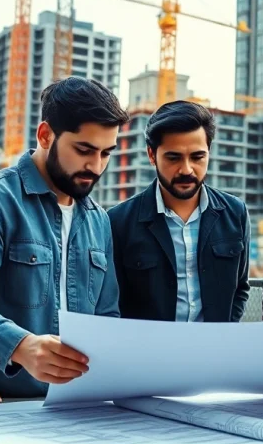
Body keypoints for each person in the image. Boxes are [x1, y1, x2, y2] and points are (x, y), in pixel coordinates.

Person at [0, 77, 128, 398]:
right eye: (84, 149)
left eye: (106, 153)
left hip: (75, 408)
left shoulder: (98, 221)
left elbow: (106, 318)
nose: (96, 165)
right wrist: (19, 346)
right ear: (45, 135)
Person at [107, 101, 251, 322]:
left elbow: (240, 288)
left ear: (209, 153)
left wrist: (224, 334)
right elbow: (113, 302)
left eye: (197, 157)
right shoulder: (118, 222)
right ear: (151, 155)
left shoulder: (235, 213)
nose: (186, 169)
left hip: (215, 352)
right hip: (148, 354)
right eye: (173, 158)